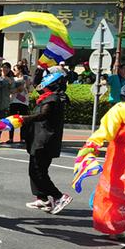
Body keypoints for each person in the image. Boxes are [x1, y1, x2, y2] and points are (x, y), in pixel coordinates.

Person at [78, 77, 125, 244]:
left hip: (122, 160)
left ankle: (114, 230)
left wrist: (89, 148)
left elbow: (105, 132)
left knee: (114, 194)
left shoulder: (121, 109)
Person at [22, 68, 72, 215]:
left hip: (44, 140)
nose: (42, 84)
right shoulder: (48, 96)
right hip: (38, 138)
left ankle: (59, 196)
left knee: (39, 172)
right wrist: (38, 71)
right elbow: (37, 85)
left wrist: (24, 119)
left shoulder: (53, 99)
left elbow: (43, 115)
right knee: (34, 170)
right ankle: (42, 198)